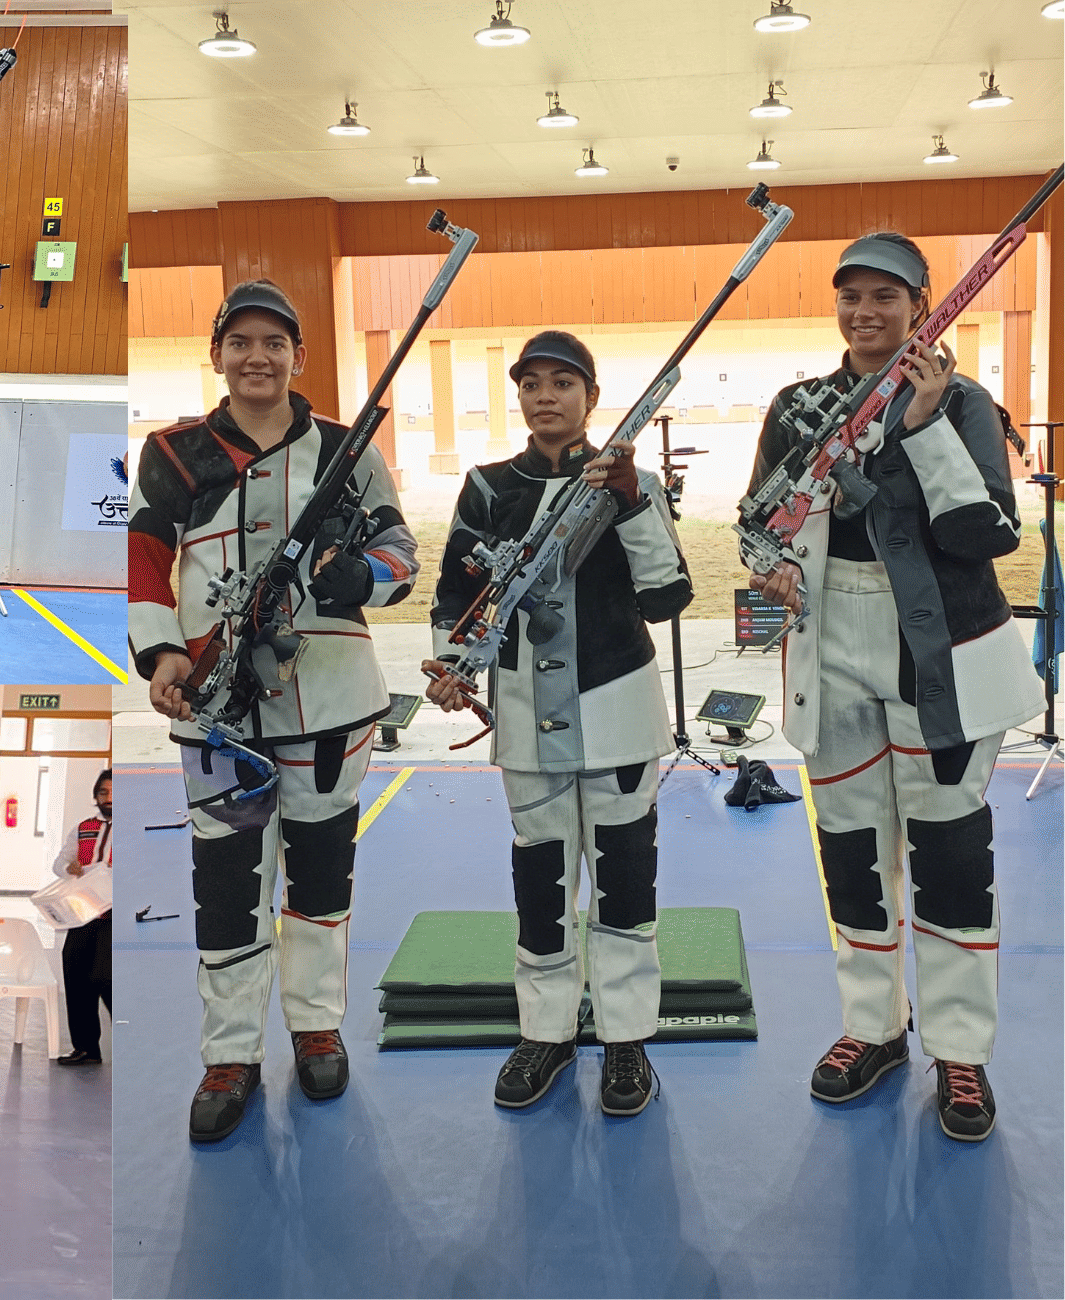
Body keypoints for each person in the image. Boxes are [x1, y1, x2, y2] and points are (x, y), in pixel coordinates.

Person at [747, 233, 1041, 1142]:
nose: (865, 312)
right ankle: (873, 1027)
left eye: (886, 296)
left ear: (921, 305)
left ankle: (959, 1050)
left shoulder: (964, 401)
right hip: (830, 640)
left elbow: (987, 534)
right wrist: (770, 567)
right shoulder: (798, 407)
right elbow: (760, 522)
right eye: (852, 296)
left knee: (951, 858)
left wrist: (924, 422)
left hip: (943, 650)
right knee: (851, 852)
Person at [129, 279, 419, 1142]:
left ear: (299, 355)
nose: (257, 357)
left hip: (332, 700)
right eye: (240, 342)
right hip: (215, 707)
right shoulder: (173, 452)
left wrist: (362, 576)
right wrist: (163, 652)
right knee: (227, 888)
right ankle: (231, 1054)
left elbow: (400, 550)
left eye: (274, 343)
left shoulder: (348, 449)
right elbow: (143, 559)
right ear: (217, 354)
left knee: (321, 879)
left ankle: (316, 1027)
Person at [423, 330, 692, 1117]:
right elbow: (454, 595)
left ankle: (626, 1037)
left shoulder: (631, 483)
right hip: (525, 716)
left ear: (591, 397)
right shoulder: (486, 486)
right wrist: (453, 667)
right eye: (532, 383)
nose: (545, 397)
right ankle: (545, 1032)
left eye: (562, 383)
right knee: (541, 885)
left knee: (624, 882)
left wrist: (632, 501)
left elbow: (668, 596)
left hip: (620, 710)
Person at [50, 768, 113, 1066]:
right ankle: (86, 1048)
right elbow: (60, 862)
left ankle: (133, 1044)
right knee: (75, 974)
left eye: (114, 793)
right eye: (103, 792)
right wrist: (69, 869)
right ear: (95, 796)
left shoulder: (134, 828)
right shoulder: (83, 828)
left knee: (104, 976)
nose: (109, 798)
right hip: (83, 913)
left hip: (116, 914)